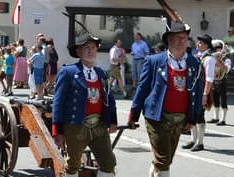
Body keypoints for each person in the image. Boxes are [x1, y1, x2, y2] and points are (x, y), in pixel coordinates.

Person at [127, 21, 203, 177]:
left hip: (180, 118)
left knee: (165, 160)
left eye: (184, 38)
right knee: (163, 161)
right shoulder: (154, 60)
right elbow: (142, 88)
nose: (182, 41)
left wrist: (194, 117)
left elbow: (198, 92)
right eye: (177, 38)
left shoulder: (195, 63)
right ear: (169, 40)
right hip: (156, 116)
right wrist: (134, 113)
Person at [52, 32, 117, 177]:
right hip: (75, 127)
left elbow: (109, 99)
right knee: (73, 165)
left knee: (109, 163)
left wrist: (112, 121)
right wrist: (58, 131)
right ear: (78, 51)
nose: (90, 50)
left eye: (93, 47)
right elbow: (58, 102)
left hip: (99, 126)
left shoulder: (102, 74)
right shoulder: (68, 72)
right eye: (86, 47)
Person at [182, 34, 215, 152]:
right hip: (193, 91)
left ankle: (200, 142)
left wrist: (205, 94)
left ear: (206, 45)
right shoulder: (197, 57)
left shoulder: (209, 59)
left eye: (200, 43)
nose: (197, 44)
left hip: (202, 92)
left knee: (200, 116)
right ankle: (193, 139)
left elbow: (209, 79)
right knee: (192, 115)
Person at [207, 39, 232, 126]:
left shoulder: (226, 59)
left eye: (219, 48)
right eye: (216, 48)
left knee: (223, 100)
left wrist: (219, 61)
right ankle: (216, 117)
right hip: (214, 81)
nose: (217, 50)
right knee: (215, 100)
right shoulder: (212, 58)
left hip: (222, 81)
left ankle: (223, 119)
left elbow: (226, 69)